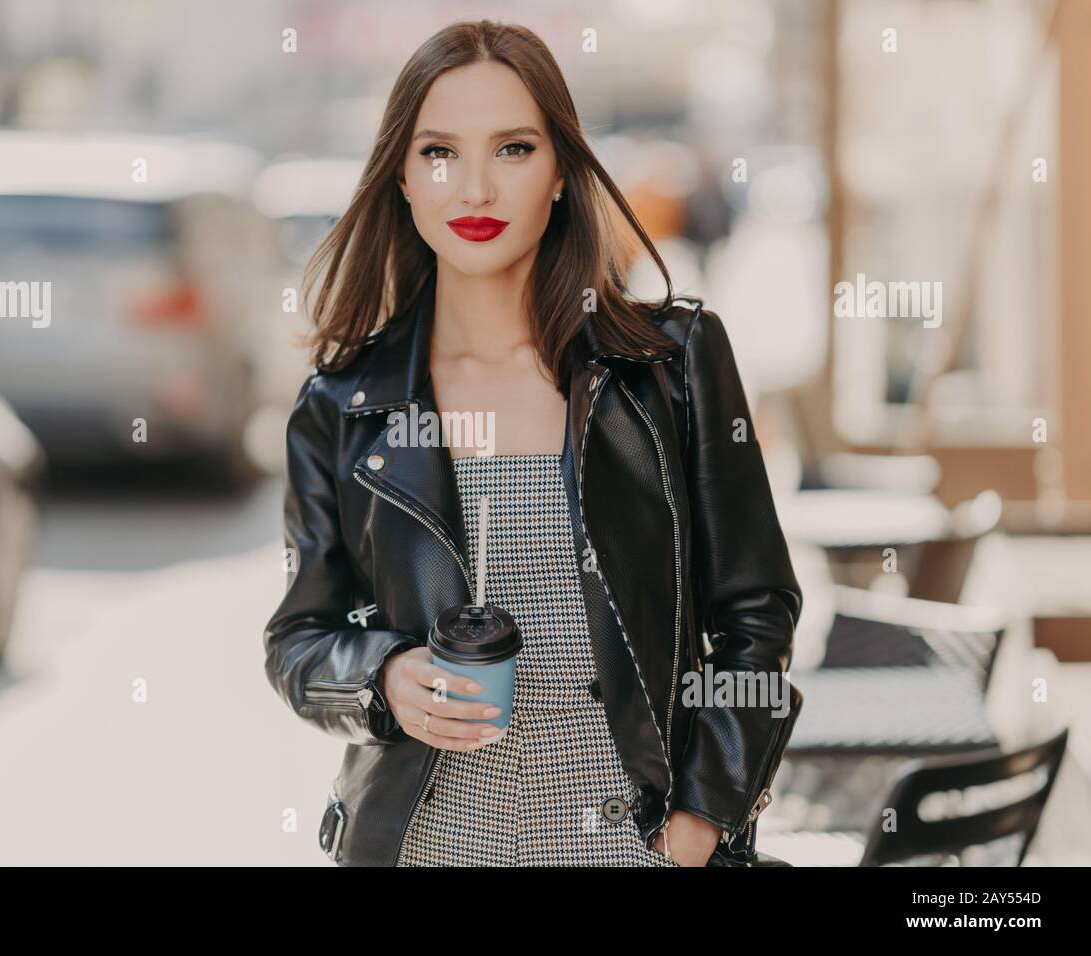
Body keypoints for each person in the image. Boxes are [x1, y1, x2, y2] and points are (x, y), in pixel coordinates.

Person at [264, 19, 803, 867]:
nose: (474, 187)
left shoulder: (669, 365)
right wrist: (383, 677)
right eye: (440, 151)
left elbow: (755, 612)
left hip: (634, 846)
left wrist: (701, 818)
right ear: (402, 176)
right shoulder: (343, 406)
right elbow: (300, 639)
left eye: (513, 149)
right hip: (426, 846)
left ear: (559, 173)